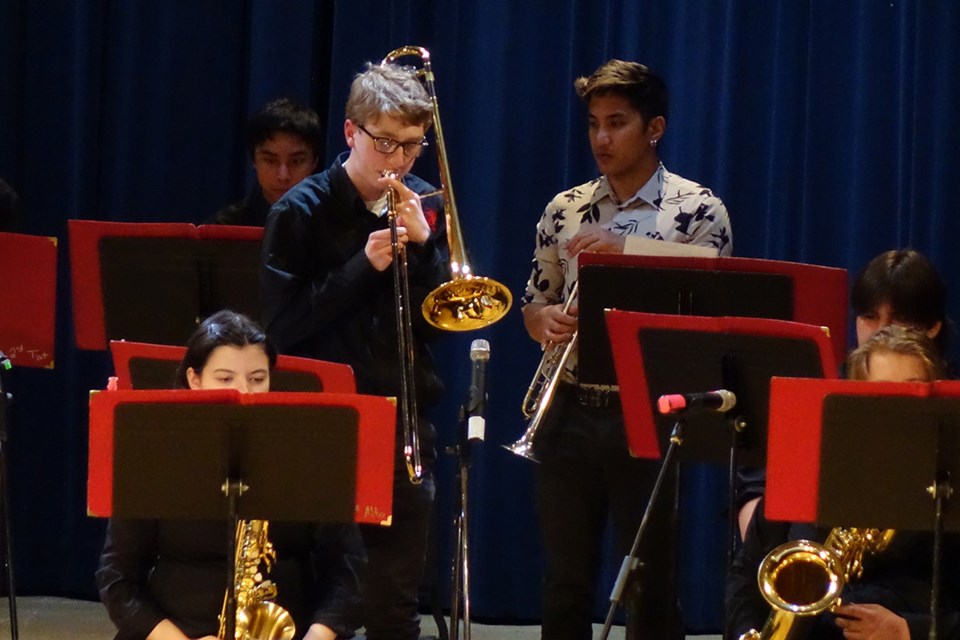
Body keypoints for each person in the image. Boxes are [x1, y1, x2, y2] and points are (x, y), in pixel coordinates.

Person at [520, 59, 732, 640]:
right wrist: (543, 322)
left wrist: (626, 248)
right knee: (564, 581)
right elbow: (533, 302)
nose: (601, 139)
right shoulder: (564, 208)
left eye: (617, 123)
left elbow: (713, 295)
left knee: (651, 580)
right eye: (593, 124)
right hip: (566, 406)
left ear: (654, 127)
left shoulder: (697, 209)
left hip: (650, 409)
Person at [260, 62, 448, 640]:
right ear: (350, 134)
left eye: (412, 147)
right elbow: (280, 327)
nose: (399, 162)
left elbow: (439, 321)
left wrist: (424, 254)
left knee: (393, 604)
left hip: (400, 418)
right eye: (385, 143)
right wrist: (361, 267)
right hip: (319, 424)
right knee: (314, 599)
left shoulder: (423, 204)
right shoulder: (298, 211)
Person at [96, 310, 365, 640]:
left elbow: (347, 572)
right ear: (194, 379)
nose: (245, 392)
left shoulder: (309, 452)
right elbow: (117, 579)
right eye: (225, 379)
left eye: (257, 378)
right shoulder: (155, 455)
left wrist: (318, 636)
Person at [726, 325, 960, 640]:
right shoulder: (809, 467)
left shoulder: (951, 481)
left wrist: (909, 631)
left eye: (911, 392)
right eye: (882, 393)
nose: (896, 410)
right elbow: (746, 574)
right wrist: (746, 632)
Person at [737, 249, 951, 538]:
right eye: (870, 317)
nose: (881, 331)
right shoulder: (824, 392)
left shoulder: (949, 404)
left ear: (933, 326)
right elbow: (761, 487)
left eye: (899, 319)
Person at [207, 98, 322, 227]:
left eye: (296, 161)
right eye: (270, 161)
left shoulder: (336, 227)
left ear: (314, 162)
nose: (283, 176)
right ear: (254, 160)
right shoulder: (225, 227)